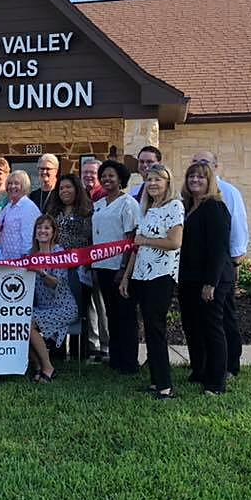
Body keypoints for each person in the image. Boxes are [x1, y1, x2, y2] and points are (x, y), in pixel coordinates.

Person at [119, 164, 183, 400]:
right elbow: (137, 247)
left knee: (156, 330)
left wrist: (144, 239)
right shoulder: (147, 208)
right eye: (149, 179)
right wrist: (126, 276)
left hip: (161, 276)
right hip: (141, 275)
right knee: (148, 329)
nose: (153, 183)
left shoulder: (174, 207)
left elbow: (174, 242)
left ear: (167, 183)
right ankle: (156, 381)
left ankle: (165, 386)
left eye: (158, 179)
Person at [192, 150, 249, 379]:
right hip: (199, 269)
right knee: (205, 319)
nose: (198, 168)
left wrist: (235, 259)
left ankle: (230, 366)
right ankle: (208, 365)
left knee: (224, 318)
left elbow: (237, 227)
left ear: (216, 167)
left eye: (204, 163)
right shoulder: (191, 197)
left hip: (221, 268)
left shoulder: (227, 193)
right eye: (194, 163)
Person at [179, 161, 232, 395]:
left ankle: (216, 381)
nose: (195, 181)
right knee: (192, 327)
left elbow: (218, 248)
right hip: (188, 278)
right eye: (191, 177)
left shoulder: (215, 208)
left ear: (209, 181)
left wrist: (210, 283)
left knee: (211, 328)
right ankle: (199, 369)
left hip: (211, 279)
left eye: (200, 177)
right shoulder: (187, 206)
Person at [91, 159, 140, 373]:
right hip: (101, 265)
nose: (106, 179)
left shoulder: (128, 203)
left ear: (121, 179)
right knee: (111, 313)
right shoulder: (99, 204)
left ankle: (129, 362)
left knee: (125, 315)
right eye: (103, 176)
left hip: (120, 268)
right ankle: (116, 359)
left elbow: (131, 236)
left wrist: (124, 269)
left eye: (111, 175)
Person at [45, 173, 93, 358]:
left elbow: (91, 239)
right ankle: (57, 352)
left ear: (76, 189)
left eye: (69, 187)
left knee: (79, 310)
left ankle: (79, 354)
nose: (65, 191)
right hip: (57, 270)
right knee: (58, 307)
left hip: (80, 269)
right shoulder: (53, 213)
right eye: (61, 188)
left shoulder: (87, 212)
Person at [28, 216, 79, 382]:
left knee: (29, 324)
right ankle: (37, 366)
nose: (43, 231)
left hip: (63, 307)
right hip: (43, 307)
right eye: (39, 228)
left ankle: (48, 367)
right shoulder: (30, 255)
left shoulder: (59, 254)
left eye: (47, 228)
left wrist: (40, 272)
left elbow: (56, 284)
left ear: (53, 233)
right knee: (17, 320)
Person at [0, 170, 41, 259]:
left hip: (20, 262)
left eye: (16, 183)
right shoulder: (9, 206)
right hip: (6, 258)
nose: (12, 186)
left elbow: (28, 238)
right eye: (10, 183)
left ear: (24, 186)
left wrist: (25, 259)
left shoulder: (28, 207)